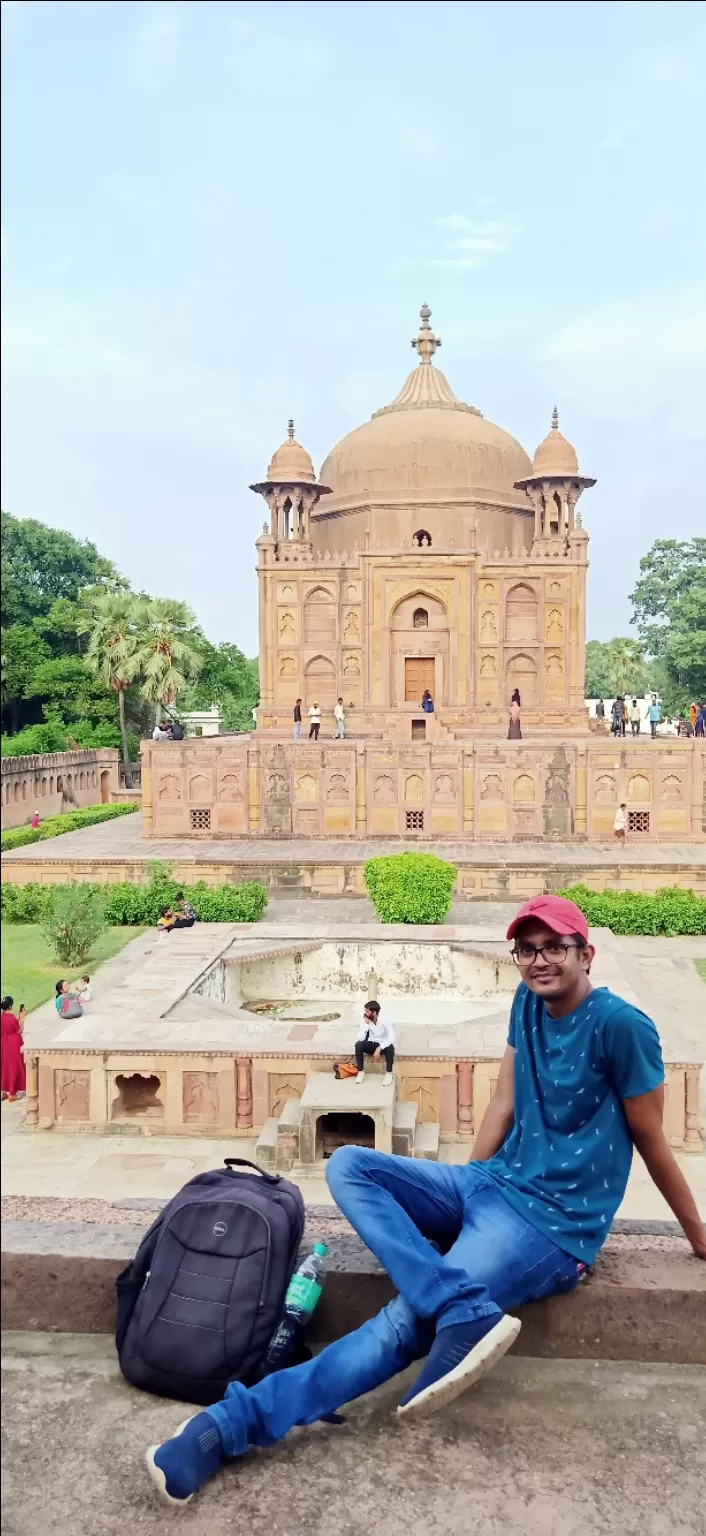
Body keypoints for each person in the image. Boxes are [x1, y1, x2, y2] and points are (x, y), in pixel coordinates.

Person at [146, 892, 706, 1507]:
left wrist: (698, 1236)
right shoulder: (527, 1000)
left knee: (404, 1322)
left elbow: (651, 1137)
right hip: (493, 1186)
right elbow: (502, 1102)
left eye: (555, 948)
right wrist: (466, 1198)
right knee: (350, 1165)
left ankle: (231, 1426)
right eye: (528, 949)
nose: (540, 960)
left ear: (585, 953)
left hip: (551, 1225)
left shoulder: (622, 1027)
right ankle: (458, 1304)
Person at [354, 1001, 395, 1087]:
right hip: (371, 1043)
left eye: (367, 1011)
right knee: (358, 1045)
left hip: (382, 1045)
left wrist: (380, 1047)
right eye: (365, 1011)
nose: (365, 1013)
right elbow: (361, 1038)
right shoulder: (365, 1020)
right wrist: (366, 1025)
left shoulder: (384, 1020)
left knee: (390, 1047)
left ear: (374, 1013)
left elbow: (392, 1036)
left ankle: (389, 1074)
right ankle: (361, 1072)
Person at [1, 997, 26, 1101]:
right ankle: (12, 1093)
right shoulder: (12, 1018)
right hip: (14, 1044)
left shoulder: (2, 1016)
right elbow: (20, 1030)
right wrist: (22, 1018)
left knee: (4, 1066)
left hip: (4, 1043)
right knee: (14, 1066)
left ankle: (3, 1092)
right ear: (11, 1006)